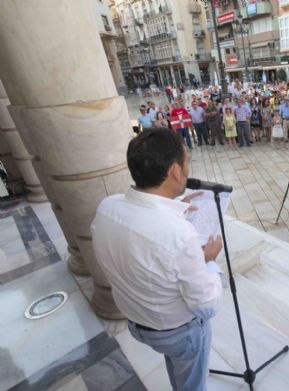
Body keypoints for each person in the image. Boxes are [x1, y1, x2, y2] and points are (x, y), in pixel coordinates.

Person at [91, 128, 225, 389]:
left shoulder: (108, 207)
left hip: (138, 322)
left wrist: (175, 208)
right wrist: (208, 260)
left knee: (177, 364)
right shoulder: (178, 234)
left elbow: (146, 255)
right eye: (187, 162)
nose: (188, 168)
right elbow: (207, 306)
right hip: (177, 333)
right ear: (175, 170)